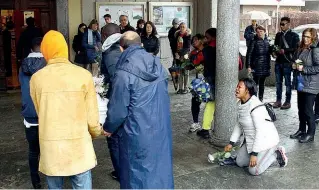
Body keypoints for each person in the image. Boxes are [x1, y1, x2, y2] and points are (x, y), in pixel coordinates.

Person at [30, 30, 103, 189]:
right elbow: (92, 115)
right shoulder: (83, 75)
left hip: (51, 144)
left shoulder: (36, 78)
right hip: (79, 144)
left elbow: (39, 111)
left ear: (45, 50)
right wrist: (96, 132)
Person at [103, 31, 174, 189]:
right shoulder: (158, 65)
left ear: (122, 49)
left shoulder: (123, 73)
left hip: (136, 130)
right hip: (160, 127)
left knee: (136, 174)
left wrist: (108, 127)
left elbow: (118, 110)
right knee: (159, 171)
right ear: (140, 44)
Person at [224, 78, 288, 176]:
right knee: (240, 162)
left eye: (239, 87)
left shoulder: (256, 107)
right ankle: (258, 156)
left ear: (247, 90)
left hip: (266, 141)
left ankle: (276, 153)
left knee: (253, 171)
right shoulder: (240, 103)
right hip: (252, 141)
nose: (236, 89)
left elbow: (260, 132)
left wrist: (254, 154)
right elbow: (239, 124)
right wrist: (231, 143)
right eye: (237, 86)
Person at [19, 37, 46, 189]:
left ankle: (35, 181)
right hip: (46, 114)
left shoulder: (22, 66)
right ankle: (53, 178)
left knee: (33, 150)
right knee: (49, 148)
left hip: (29, 115)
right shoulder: (48, 66)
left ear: (30, 49)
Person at [100, 23, 122, 181]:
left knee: (114, 137)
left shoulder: (110, 52)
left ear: (104, 36)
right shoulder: (122, 47)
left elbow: (117, 81)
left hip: (118, 101)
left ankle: (121, 171)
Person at [290, 28, 319, 143]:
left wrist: (304, 69)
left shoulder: (315, 49)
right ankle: (302, 130)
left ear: (313, 37)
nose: (305, 39)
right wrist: (293, 65)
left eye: (308, 37)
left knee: (308, 110)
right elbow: (296, 60)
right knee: (300, 109)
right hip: (301, 82)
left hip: (311, 84)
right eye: (304, 36)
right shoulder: (301, 47)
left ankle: (310, 134)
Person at [272, 17, 300, 109]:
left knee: (288, 84)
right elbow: (275, 46)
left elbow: (296, 49)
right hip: (278, 62)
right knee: (278, 83)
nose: (281, 26)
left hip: (288, 63)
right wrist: (274, 52)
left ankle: (287, 102)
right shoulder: (278, 35)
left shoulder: (294, 35)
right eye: (281, 24)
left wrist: (285, 50)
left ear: (288, 24)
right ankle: (278, 100)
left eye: (283, 24)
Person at [196, 28, 217, 139]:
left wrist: (200, 47)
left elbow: (196, 61)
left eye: (207, 37)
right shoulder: (222, 47)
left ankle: (206, 129)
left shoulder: (207, 49)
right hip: (223, 80)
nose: (205, 39)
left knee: (210, 103)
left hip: (210, 78)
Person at [246, 25, 271, 102]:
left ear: (264, 32)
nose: (259, 33)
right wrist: (249, 66)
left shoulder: (267, 41)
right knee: (255, 83)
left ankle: (261, 99)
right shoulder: (254, 41)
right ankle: (254, 99)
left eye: (261, 31)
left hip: (265, 65)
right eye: (258, 32)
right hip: (256, 65)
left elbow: (269, 54)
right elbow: (249, 54)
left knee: (262, 83)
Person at [189, 34, 205, 132]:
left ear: (201, 40)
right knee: (195, 101)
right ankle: (196, 122)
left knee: (209, 104)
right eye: (193, 40)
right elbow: (191, 65)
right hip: (199, 80)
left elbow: (195, 62)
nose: (193, 42)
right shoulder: (194, 52)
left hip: (207, 79)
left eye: (195, 40)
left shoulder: (206, 51)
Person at [174, 22, 191, 94]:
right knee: (180, 73)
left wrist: (181, 54)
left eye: (183, 27)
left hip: (185, 56)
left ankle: (186, 88)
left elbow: (187, 47)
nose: (182, 28)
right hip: (178, 56)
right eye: (181, 27)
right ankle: (180, 88)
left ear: (186, 28)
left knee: (186, 73)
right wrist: (176, 53)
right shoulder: (177, 35)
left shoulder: (188, 36)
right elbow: (174, 46)